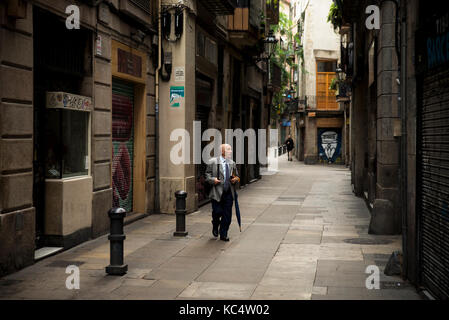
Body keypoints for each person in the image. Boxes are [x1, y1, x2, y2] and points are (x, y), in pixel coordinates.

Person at [205, 144, 240, 241]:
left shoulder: (232, 163)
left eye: (231, 149)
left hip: (229, 193)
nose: (231, 151)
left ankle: (224, 233)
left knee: (227, 215)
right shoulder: (213, 162)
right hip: (217, 192)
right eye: (229, 149)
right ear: (222, 151)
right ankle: (215, 224)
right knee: (217, 212)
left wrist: (235, 179)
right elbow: (207, 175)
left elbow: (237, 176)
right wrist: (213, 180)